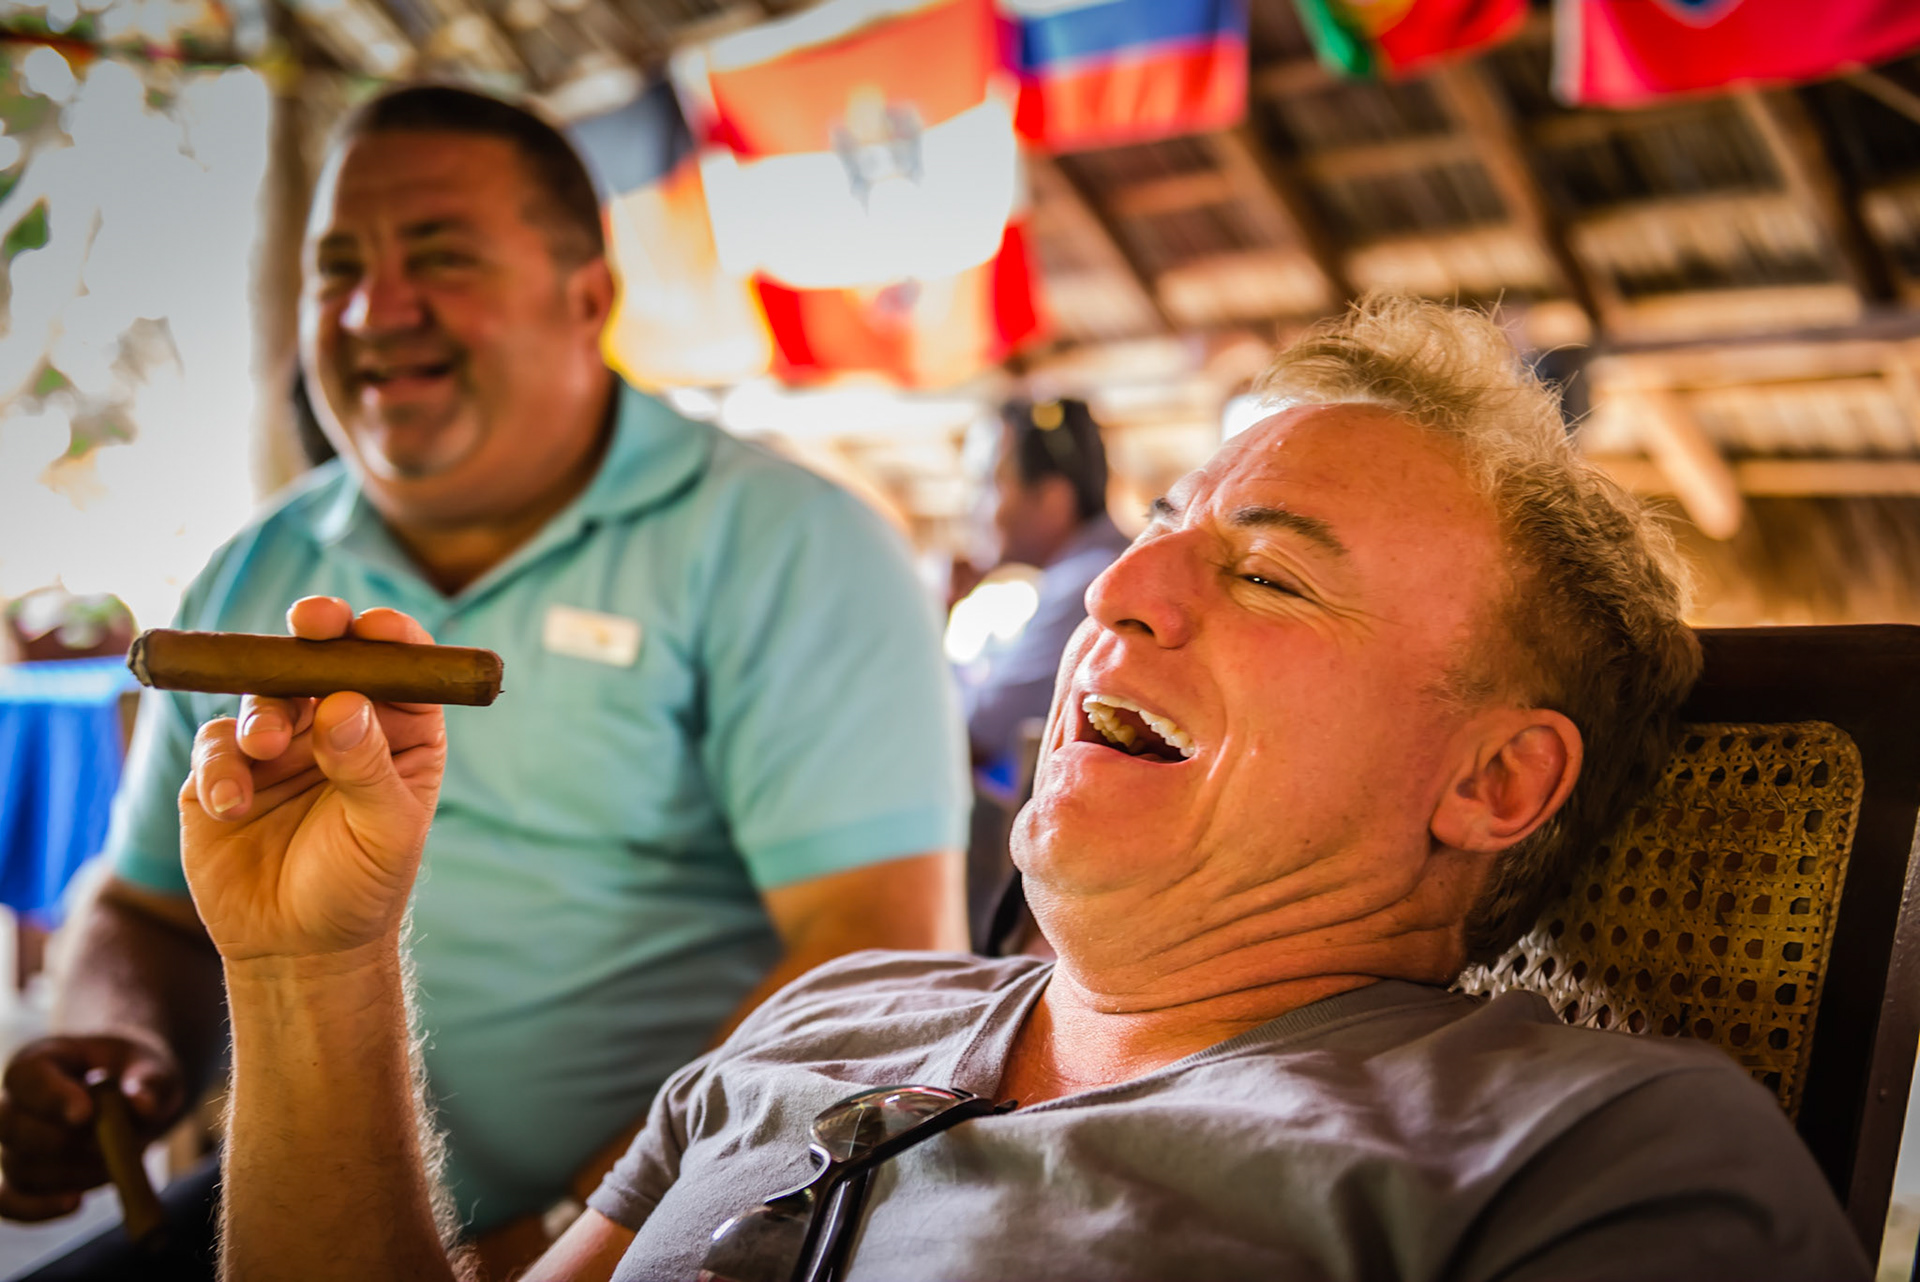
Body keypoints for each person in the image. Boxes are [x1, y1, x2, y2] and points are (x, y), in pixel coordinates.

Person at [177, 298, 1868, 1281]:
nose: (1120, 594)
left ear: (1495, 778)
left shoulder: (1585, 1160)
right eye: (1161, 534)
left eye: (1271, 576)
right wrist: (312, 964)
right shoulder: (825, 1019)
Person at [0, 85, 969, 1277]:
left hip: (671, 1236)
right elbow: (145, 906)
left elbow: (876, 964)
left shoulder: (786, 544)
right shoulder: (257, 566)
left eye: (441, 257)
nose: (374, 309)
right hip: (295, 1195)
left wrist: (578, 1232)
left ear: (587, 299)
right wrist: (117, 1042)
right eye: (337, 269)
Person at [955, 397, 1131, 774]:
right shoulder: (1100, 568)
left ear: (1053, 499)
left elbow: (973, 736)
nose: (973, 508)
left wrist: (931, 615)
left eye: (990, 485)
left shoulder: (1087, 589)